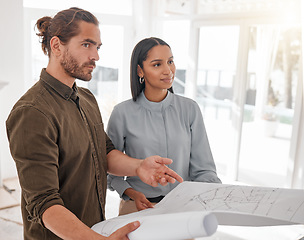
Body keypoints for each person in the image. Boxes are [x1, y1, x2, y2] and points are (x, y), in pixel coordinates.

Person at [6, 8, 183, 240]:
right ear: (57, 46)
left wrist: (138, 167)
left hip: (95, 228)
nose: (96, 56)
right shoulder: (32, 112)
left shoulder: (86, 99)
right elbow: (43, 203)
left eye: (97, 47)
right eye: (87, 45)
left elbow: (105, 152)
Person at [107, 37, 221, 216]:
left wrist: (213, 195)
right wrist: (133, 194)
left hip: (183, 209)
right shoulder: (122, 113)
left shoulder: (190, 109)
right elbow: (110, 171)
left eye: (170, 61)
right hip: (136, 208)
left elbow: (205, 169)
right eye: (157, 64)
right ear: (140, 70)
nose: (168, 70)